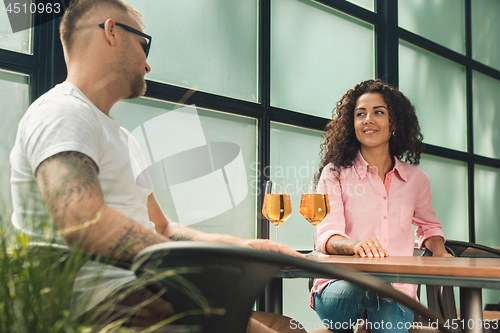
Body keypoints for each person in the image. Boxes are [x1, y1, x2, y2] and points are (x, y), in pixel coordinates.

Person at [9, 0, 306, 331]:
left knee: (287, 325)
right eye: (143, 44)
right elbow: (80, 218)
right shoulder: (62, 112)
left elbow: (163, 228)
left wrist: (243, 246)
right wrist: (194, 270)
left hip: (142, 293)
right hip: (102, 306)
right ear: (111, 31)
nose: (148, 66)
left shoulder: (123, 138)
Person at [310, 79, 453, 333]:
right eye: (360, 114)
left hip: (397, 293)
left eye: (378, 112)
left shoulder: (416, 180)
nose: (368, 119)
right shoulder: (334, 174)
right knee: (376, 286)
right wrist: (355, 245)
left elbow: (429, 228)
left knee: (387, 298)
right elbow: (327, 236)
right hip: (339, 289)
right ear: (352, 124)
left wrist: (440, 252)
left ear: (394, 122)